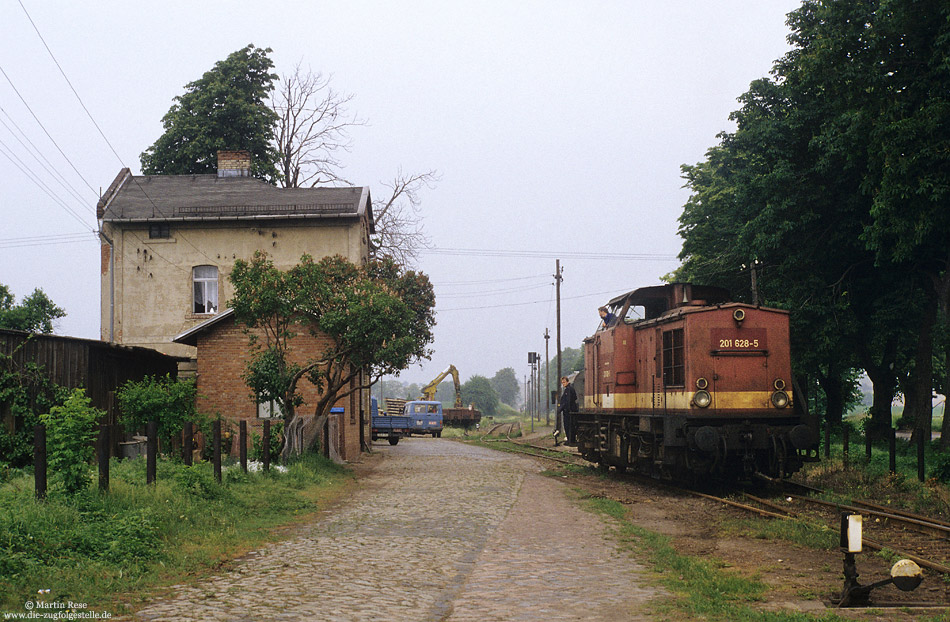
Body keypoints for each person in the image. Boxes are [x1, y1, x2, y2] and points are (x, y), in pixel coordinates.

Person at [556, 376, 578, 446]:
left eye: (564, 382)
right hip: (569, 410)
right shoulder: (568, 389)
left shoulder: (568, 390)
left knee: (569, 426)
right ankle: (570, 440)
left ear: (567, 382)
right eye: (562, 382)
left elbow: (567, 401)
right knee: (569, 426)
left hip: (569, 411)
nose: (563, 384)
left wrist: (561, 408)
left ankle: (571, 440)